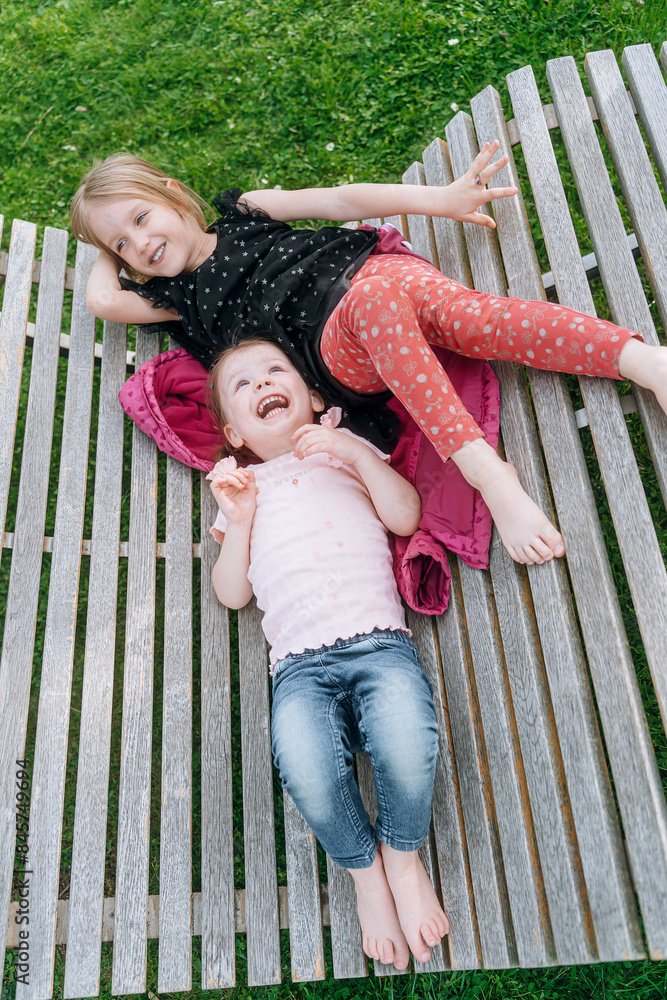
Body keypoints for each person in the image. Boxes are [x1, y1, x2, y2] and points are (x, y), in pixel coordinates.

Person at [71, 147, 667, 566]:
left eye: (143, 217)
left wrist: (439, 199)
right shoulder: (173, 299)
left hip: (375, 272)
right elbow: (101, 299)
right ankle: (489, 475)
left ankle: (644, 362)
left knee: (469, 318)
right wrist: (104, 242)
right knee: (377, 300)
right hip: (335, 351)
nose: (142, 243)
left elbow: (339, 199)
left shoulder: (244, 210)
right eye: (123, 244)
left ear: (174, 194)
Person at [207, 336, 447, 970]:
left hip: (378, 642)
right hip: (298, 668)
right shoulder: (243, 490)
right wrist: (240, 517)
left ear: (313, 397)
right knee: (306, 765)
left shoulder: (347, 453)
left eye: (274, 372)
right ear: (235, 433)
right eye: (243, 385)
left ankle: (401, 854)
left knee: (405, 737)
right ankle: (366, 876)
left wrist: (350, 453)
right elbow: (232, 594)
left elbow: (404, 515)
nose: (262, 384)